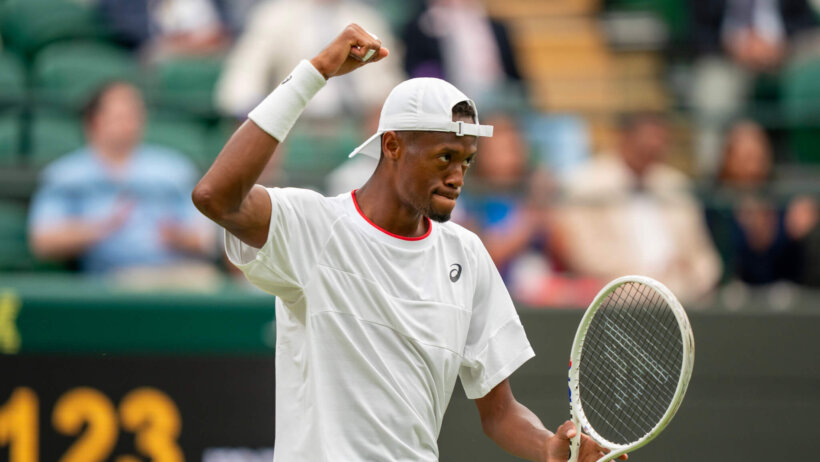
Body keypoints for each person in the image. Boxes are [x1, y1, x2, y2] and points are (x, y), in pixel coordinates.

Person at [192, 24, 625, 462]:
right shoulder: (313, 226)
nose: (457, 177)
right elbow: (215, 197)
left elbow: (500, 413)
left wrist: (550, 450)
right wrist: (316, 72)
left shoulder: (468, 256)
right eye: (445, 157)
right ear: (394, 145)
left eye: (467, 161)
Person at [29, 81, 217, 286]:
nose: (130, 123)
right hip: (106, 282)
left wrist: (176, 236)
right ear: (94, 121)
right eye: (120, 116)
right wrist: (101, 227)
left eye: (135, 114)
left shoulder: (173, 168)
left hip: (175, 276)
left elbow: (207, 239)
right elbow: (43, 241)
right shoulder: (65, 174)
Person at [558, 112, 722, 304]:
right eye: (644, 141)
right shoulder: (585, 184)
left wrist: (695, 281)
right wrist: (642, 280)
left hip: (683, 297)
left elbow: (704, 256)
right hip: (615, 299)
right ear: (624, 137)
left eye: (658, 142)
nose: (652, 147)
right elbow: (584, 254)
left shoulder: (676, 186)